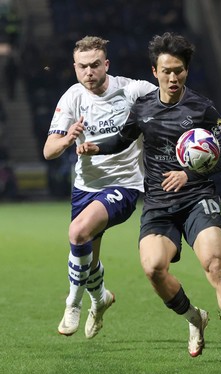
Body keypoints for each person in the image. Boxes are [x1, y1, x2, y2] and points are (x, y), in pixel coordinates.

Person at [77, 32, 221, 367]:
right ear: (154, 71)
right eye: (166, 71)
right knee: (153, 268)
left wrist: (189, 174)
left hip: (197, 199)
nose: (172, 77)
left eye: (178, 70)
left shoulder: (202, 108)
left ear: (186, 71)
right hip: (159, 206)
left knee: (215, 265)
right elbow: (122, 139)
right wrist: (95, 147)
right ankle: (194, 318)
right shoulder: (143, 108)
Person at [43, 36, 156, 339]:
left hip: (124, 184)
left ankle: (73, 303)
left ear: (106, 64)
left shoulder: (131, 90)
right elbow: (48, 151)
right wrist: (68, 139)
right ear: (75, 67)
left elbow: (171, 100)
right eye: (83, 67)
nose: (89, 72)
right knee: (88, 259)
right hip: (85, 187)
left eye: (95, 65)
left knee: (78, 232)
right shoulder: (72, 97)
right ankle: (100, 299)